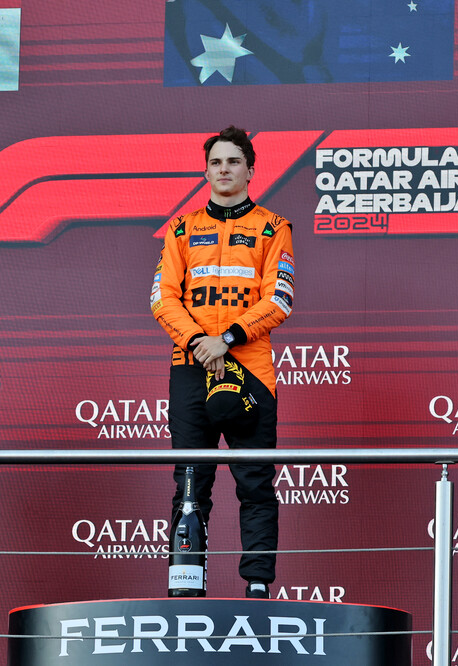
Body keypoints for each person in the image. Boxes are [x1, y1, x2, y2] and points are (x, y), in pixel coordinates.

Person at [152, 126, 294, 598]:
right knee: (190, 482)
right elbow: (162, 297)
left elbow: (280, 299)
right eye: (216, 162)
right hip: (191, 366)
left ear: (250, 170)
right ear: (206, 170)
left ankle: (257, 587)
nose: (224, 170)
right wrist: (199, 341)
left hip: (250, 368)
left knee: (255, 483)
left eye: (233, 162)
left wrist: (228, 339)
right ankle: (185, 585)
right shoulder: (180, 228)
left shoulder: (274, 227)